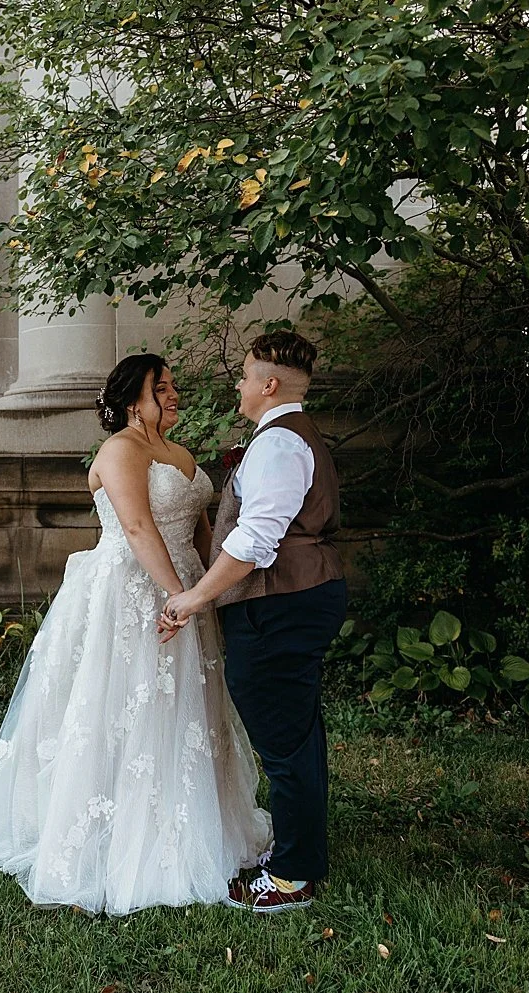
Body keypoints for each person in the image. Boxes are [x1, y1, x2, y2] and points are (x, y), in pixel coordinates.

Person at [0, 353, 270, 915]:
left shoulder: (179, 452)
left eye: (172, 388)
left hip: (182, 594)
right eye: (162, 389)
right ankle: (112, 838)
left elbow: (198, 527)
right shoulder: (120, 450)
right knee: (121, 709)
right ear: (133, 401)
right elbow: (136, 525)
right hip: (131, 593)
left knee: (184, 711)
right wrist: (177, 596)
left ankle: (190, 822)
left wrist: (207, 596)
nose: (173, 396)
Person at [160, 330, 347, 914]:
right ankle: (302, 854)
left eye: (244, 376)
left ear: (269, 385)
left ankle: (292, 877)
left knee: (284, 740)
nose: (238, 385)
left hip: (279, 604)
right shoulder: (288, 437)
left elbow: (255, 540)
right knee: (296, 734)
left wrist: (194, 599)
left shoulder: (278, 445)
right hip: (293, 599)